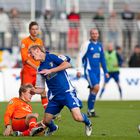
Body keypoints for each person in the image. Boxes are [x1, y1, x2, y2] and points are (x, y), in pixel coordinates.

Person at [28, 45, 92, 137]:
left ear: (37, 50)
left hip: (67, 92)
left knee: (77, 118)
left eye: (31, 53)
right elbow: (41, 89)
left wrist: (51, 70)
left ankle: (88, 122)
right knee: (46, 121)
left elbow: (68, 64)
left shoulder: (52, 56)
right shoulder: (40, 69)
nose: (30, 55)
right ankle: (53, 128)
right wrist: (34, 91)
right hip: (55, 97)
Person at [76, 28, 109, 117]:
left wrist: (106, 71)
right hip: (89, 70)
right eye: (93, 33)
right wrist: (79, 69)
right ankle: (90, 108)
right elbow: (80, 56)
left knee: (93, 90)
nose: (95, 35)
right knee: (96, 87)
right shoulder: (86, 44)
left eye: (96, 33)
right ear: (90, 35)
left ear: (98, 35)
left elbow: (102, 59)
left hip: (97, 71)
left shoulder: (99, 45)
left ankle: (91, 110)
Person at [20, 21, 48, 109]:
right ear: (29, 30)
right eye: (33, 29)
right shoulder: (25, 42)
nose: (35, 31)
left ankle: (48, 113)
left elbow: (43, 55)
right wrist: (36, 67)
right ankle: (21, 113)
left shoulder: (40, 41)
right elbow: (25, 59)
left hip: (38, 72)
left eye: (36, 29)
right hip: (28, 72)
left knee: (43, 91)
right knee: (26, 93)